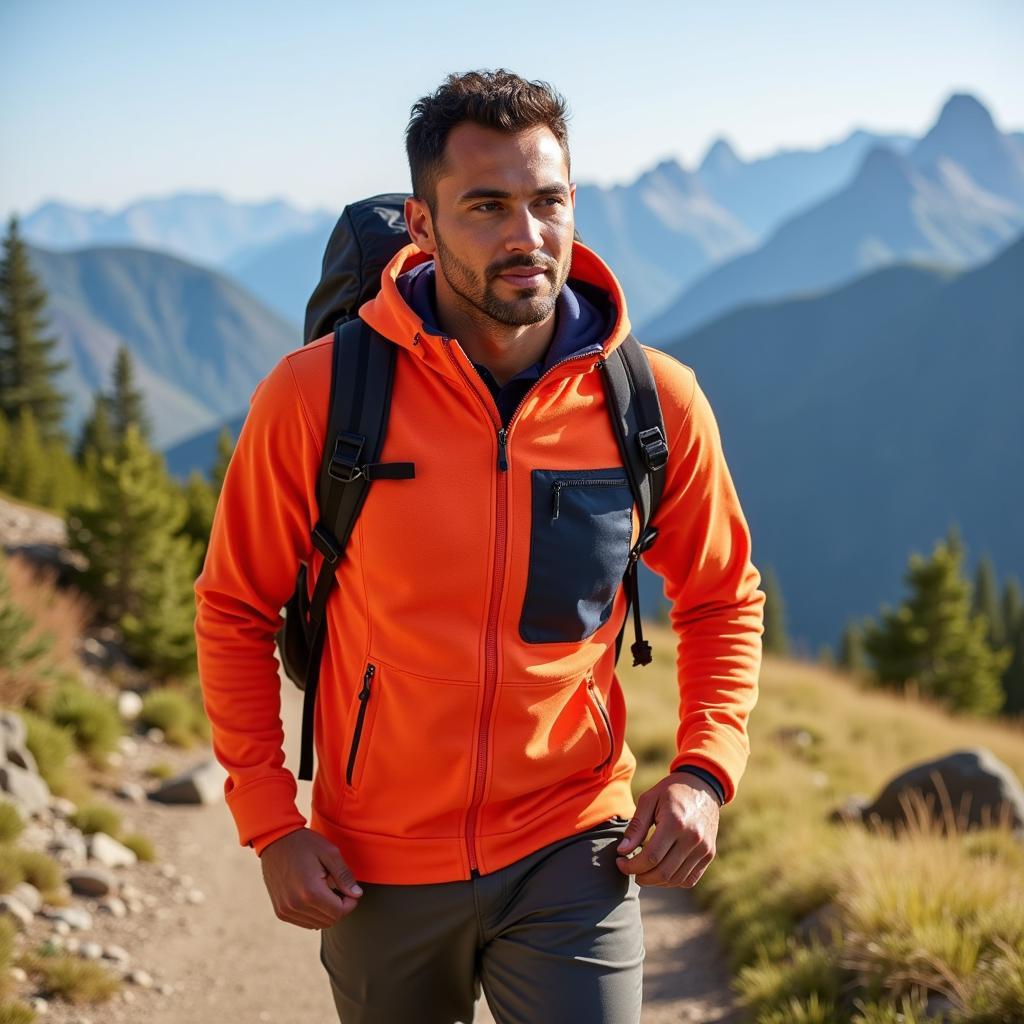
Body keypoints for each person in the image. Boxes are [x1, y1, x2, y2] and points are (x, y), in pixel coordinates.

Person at [193, 68, 765, 1024]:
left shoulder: (652, 402)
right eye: (487, 206)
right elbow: (235, 606)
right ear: (422, 225)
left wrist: (706, 771)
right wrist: (269, 823)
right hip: (376, 860)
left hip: (572, 843)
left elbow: (720, 595)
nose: (526, 236)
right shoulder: (316, 397)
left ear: (574, 202)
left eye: (547, 202)